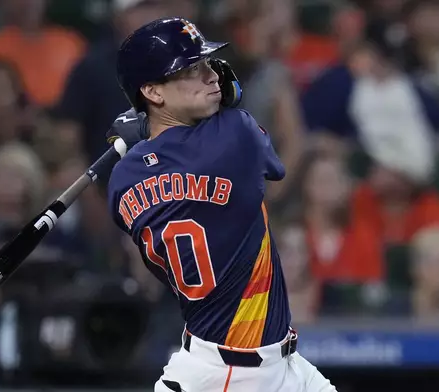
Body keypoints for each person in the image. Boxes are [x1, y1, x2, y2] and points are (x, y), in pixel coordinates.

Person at [106, 17, 336, 391]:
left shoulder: (122, 178)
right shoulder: (236, 133)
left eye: (207, 64)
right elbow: (272, 165)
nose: (212, 75)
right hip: (237, 374)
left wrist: (148, 134)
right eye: (192, 69)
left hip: (232, 362)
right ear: (153, 91)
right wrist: (229, 95)